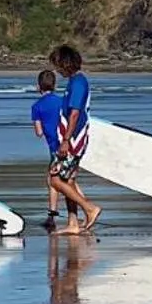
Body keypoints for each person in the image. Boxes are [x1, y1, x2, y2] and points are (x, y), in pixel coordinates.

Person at [48, 43, 101, 234]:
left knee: (55, 179)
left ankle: (90, 208)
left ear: (65, 63)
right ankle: (73, 223)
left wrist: (66, 140)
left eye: (58, 64)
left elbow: (75, 114)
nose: (57, 69)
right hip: (72, 137)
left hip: (74, 139)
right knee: (68, 180)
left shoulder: (78, 83)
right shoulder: (74, 82)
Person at [31, 69, 68, 229]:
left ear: (39, 86)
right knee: (61, 179)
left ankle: (53, 217)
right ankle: (53, 215)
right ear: (54, 85)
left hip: (55, 147)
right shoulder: (62, 102)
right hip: (67, 143)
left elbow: (39, 133)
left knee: (55, 181)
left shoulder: (36, 106)